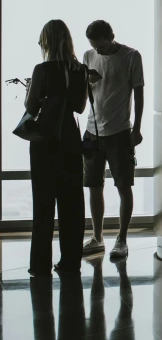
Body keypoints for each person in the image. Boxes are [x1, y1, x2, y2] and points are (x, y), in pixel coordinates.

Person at [25, 20, 88, 277]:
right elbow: (80, 108)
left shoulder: (42, 69)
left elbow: (30, 109)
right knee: (72, 203)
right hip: (70, 139)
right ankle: (70, 262)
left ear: (48, 41)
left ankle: (40, 265)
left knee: (43, 202)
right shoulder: (80, 70)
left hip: (45, 141)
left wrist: (33, 89)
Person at [81, 20, 145, 260]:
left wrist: (137, 129)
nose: (98, 51)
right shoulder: (88, 56)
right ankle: (97, 236)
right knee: (93, 186)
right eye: (94, 47)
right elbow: (84, 92)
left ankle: (122, 238)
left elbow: (139, 93)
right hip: (92, 130)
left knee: (123, 185)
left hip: (120, 132)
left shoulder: (131, 56)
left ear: (110, 37)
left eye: (101, 46)